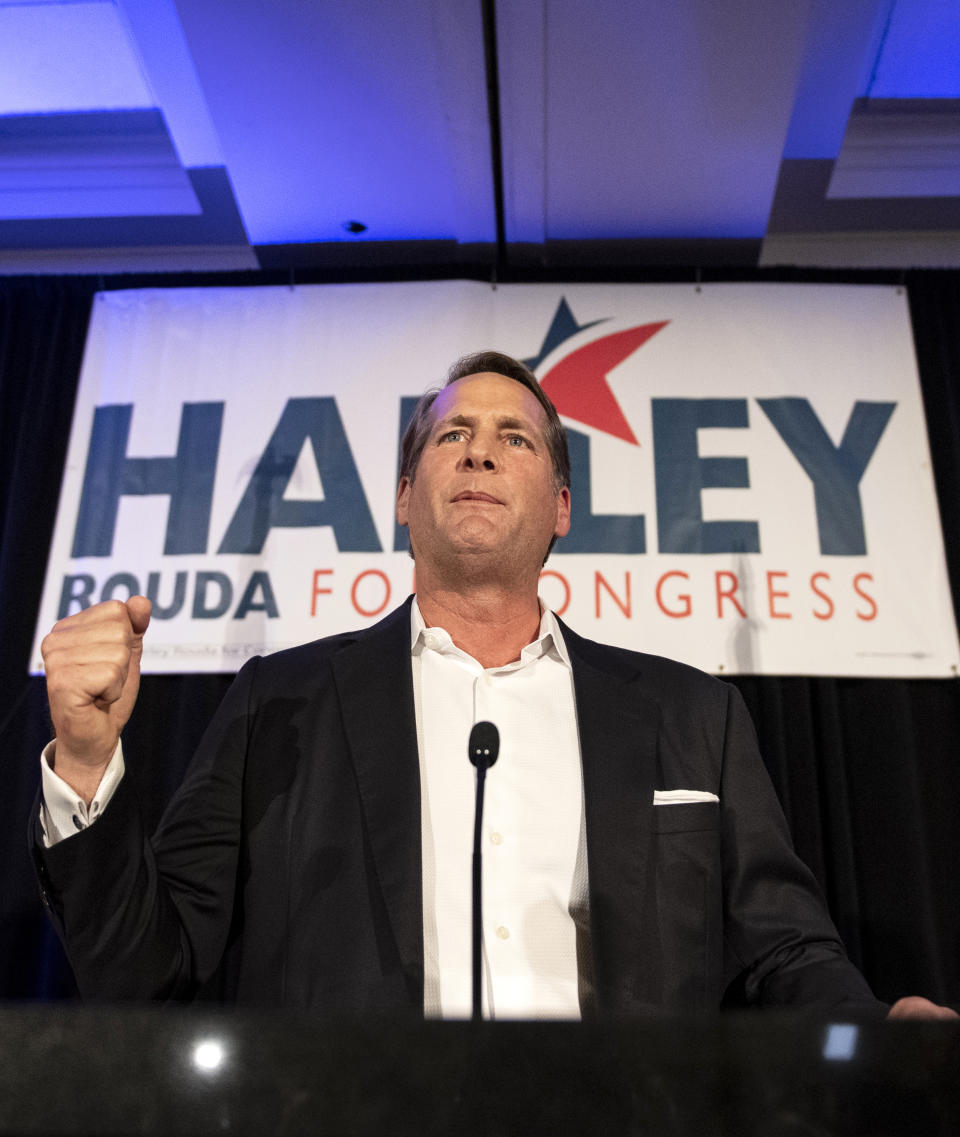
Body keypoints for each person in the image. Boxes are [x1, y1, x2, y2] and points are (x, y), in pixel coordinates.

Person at [35, 351, 954, 1020]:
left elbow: (783, 952)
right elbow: (147, 974)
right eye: (453, 435)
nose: (479, 453)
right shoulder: (278, 702)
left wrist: (877, 1030)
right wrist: (82, 760)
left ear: (561, 506)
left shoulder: (690, 716)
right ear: (402, 496)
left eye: (513, 437)